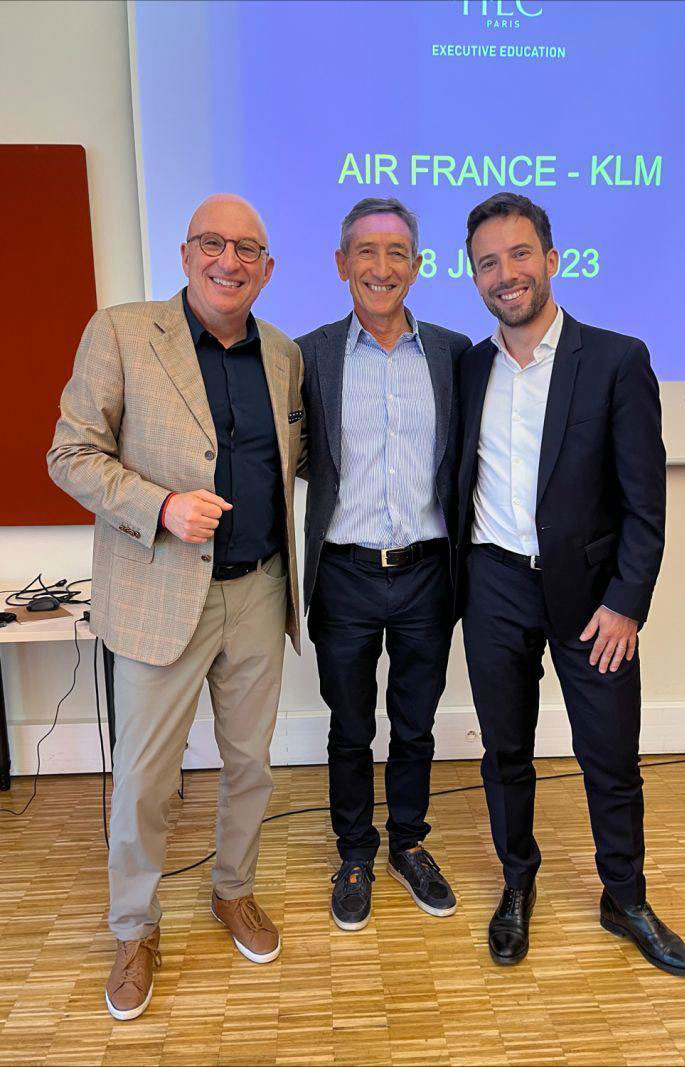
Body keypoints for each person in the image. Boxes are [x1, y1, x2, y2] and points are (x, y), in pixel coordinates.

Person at [48, 194, 305, 1020]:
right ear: (186, 251)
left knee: (252, 764)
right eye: (214, 244)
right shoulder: (120, 332)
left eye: (248, 250)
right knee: (146, 780)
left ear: (268, 268)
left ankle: (233, 889)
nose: (230, 261)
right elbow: (70, 453)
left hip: (260, 589)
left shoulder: (285, 354)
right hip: (161, 593)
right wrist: (160, 505)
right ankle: (134, 926)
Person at [455, 192, 685, 977]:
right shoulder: (469, 368)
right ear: (475, 277)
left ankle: (623, 896)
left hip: (595, 599)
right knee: (505, 751)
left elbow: (644, 500)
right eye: (488, 262)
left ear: (552, 260)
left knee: (610, 755)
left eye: (519, 254)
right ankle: (516, 882)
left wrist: (627, 601)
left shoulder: (617, 360)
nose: (506, 273)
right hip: (494, 585)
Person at [296, 198, 471, 930]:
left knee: (417, 722)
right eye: (365, 252)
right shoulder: (306, 355)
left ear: (418, 266)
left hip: (429, 571)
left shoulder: (457, 353)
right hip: (345, 571)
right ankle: (355, 852)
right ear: (342, 265)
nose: (381, 266)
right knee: (349, 725)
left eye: (397, 252)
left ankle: (408, 843)